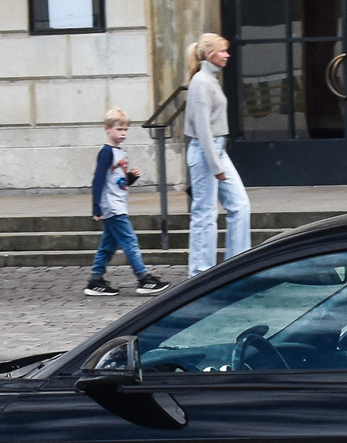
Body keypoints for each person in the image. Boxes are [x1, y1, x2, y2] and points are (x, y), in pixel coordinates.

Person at [182, 31, 248, 276]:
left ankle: (237, 267)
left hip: (215, 150)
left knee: (240, 205)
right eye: (222, 50)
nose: (227, 55)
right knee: (205, 212)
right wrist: (216, 167)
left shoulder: (210, 80)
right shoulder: (201, 83)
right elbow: (202, 129)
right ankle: (199, 273)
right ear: (209, 54)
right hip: (205, 151)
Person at [84, 108, 168, 297]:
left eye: (125, 130)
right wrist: (96, 206)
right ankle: (143, 278)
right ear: (107, 129)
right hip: (112, 207)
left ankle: (95, 280)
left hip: (117, 204)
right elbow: (98, 180)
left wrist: (130, 178)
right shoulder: (106, 153)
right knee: (130, 241)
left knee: (108, 245)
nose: (123, 133)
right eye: (119, 129)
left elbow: (119, 182)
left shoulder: (120, 153)